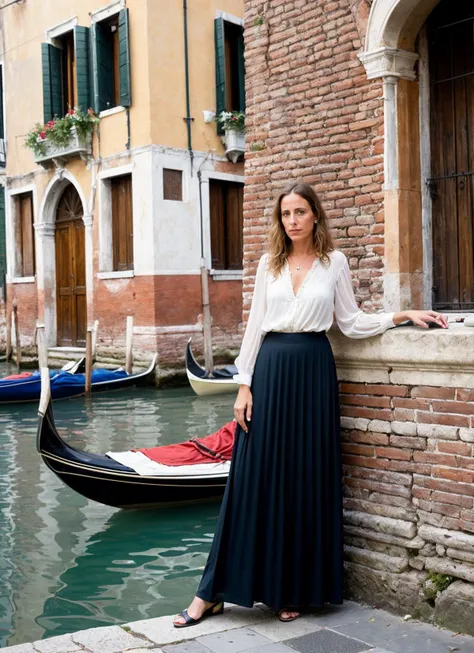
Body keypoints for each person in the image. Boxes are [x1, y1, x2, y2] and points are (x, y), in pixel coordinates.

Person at [173, 181, 448, 627]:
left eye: (300, 212)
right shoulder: (269, 263)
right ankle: (211, 593)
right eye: (286, 214)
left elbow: (351, 321)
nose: (293, 220)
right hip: (271, 371)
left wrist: (401, 315)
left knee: (303, 478)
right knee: (251, 477)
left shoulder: (333, 262)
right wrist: (244, 385)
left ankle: (292, 588)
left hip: (313, 373)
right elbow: (255, 326)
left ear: (314, 215)